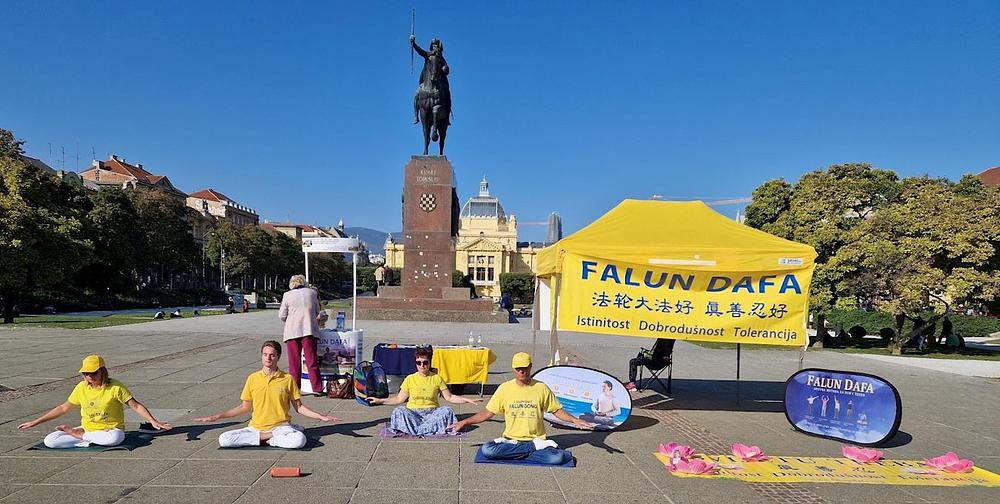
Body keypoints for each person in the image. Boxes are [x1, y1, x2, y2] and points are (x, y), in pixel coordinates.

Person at [448, 352, 595, 464]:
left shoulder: (541, 388)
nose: (521, 372)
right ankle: (532, 449)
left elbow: (556, 410)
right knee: (487, 450)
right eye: (518, 369)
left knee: (556, 458)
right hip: (511, 440)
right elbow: (487, 413)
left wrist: (575, 421)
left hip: (537, 438)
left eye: (524, 368)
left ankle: (527, 449)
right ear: (513, 369)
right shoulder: (504, 388)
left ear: (530, 366)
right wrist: (465, 422)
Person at [194, 341, 338, 449]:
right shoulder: (253, 378)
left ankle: (268, 439)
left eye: (272, 355)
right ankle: (268, 437)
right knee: (224, 439)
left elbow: (299, 407)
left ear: (278, 357)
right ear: (261, 356)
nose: (268, 358)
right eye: (265, 354)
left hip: (280, 427)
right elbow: (244, 407)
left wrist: (320, 416)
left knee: (299, 440)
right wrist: (216, 417)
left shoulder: (287, 379)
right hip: (256, 427)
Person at [17, 355, 172, 448]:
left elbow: (135, 405)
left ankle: (81, 437)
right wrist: (35, 422)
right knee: (50, 441)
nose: (89, 377)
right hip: (88, 429)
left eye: (93, 373)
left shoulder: (115, 387)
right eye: (85, 374)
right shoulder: (81, 387)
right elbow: (64, 408)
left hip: (110, 430)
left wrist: (153, 421)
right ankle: (85, 436)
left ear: (102, 371)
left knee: (115, 439)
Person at [369, 348, 480, 436]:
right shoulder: (410, 379)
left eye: (425, 362)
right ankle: (426, 429)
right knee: (399, 411)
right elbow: (399, 399)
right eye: (419, 362)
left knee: (447, 411)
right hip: (413, 413)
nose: (422, 365)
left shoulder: (437, 378)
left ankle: (416, 429)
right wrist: (379, 400)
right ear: (416, 363)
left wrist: (466, 399)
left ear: (430, 362)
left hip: (432, 414)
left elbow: (450, 398)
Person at [279, 274, 323, 396]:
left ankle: (295, 389)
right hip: (309, 329)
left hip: (292, 331)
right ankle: (317, 388)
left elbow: (281, 315)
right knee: (312, 360)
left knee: (294, 362)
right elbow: (317, 311)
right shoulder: (312, 293)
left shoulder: (287, 295)